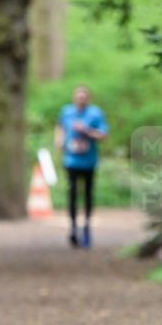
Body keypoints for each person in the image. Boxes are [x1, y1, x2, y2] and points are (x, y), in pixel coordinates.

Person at [55, 85, 108, 248]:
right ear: (74, 98)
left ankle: (86, 227)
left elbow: (103, 134)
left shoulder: (95, 113)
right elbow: (60, 127)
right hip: (71, 160)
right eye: (78, 97)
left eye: (84, 97)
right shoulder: (66, 112)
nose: (81, 99)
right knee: (72, 194)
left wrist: (86, 130)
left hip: (89, 161)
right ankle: (72, 228)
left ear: (88, 98)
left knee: (87, 194)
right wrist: (59, 140)